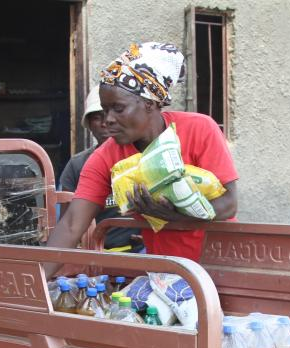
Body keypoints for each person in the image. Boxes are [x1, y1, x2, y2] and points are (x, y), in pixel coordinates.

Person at [45, 42, 238, 268]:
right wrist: (35, 282)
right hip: (167, 272)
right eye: (105, 110)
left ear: (149, 103)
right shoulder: (106, 156)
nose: (107, 120)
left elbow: (228, 204)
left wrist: (175, 214)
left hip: (221, 268)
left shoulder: (199, 129)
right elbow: (71, 224)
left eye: (118, 109)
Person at [59, 86, 142, 252]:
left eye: (113, 114)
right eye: (97, 118)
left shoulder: (142, 157)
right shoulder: (77, 165)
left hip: (142, 251)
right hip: (97, 254)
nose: (106, 123)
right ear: (89, 124)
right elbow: (68, 224)